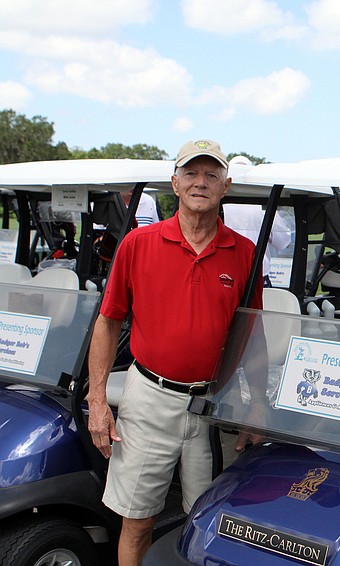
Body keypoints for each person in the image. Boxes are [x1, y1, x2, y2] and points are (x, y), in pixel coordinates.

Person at [86, 139, 263, 566]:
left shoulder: (243, 253)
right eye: (191, 173)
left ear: (226, 185)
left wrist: (256, 407)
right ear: (175, 184)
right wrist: (96, 400)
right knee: (138, 521)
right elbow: (108, 322)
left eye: (211, 175)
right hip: (149, 400)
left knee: (205, 522)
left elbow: (252, 334)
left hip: (211, 404)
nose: (200, 182)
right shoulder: (138, 244)